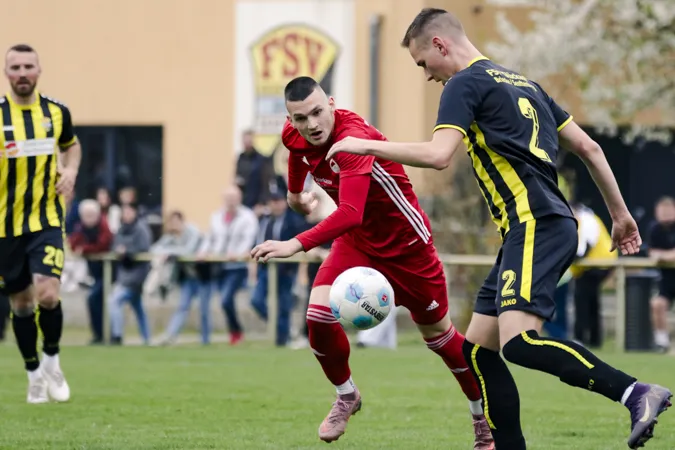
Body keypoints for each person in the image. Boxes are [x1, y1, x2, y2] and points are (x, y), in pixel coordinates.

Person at [326, 8, 672, 449]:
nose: (427, 75)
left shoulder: (463, 83)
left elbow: (438, 155)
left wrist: (364, 145)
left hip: (536, 223)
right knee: (477, 350)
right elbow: (590, 147)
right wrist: (620, 216)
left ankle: (635, 393)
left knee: (520, 344)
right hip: (534, 228)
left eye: (423, 63)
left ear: (440, 44)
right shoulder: (525, 84)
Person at [251, 76, 494, 448]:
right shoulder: (294, 133)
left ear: (332, 104)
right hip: (358, 244)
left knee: (440, 339)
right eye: (300, 118)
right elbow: (298, 153)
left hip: (408, 249)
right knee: (317, 317)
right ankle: (346, 394)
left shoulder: (352, 139)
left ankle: (483, 417)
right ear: (290, 119)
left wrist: (295, 244)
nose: (311, 124)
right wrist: (296, 194)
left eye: (317, 112)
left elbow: (351, 212)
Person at [0, 44, 81, 403]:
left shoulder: (56, 112)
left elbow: (71, 146)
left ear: (38, 70)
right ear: (6, 73)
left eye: (28, 66)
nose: (22, 73)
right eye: (15, 67)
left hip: (45, 220)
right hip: (5, 228)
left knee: (47, 294)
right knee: (21, 304)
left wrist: (71, 171)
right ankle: (33, 373)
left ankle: (52, 360)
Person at [647, 196, 675, 353]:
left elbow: (659, 255)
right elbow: (652, 253)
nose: (665, 214)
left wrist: (663, 256)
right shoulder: (654, 229)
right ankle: (662, 342)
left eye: (668, 211)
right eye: (662, 211)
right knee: (657, 304)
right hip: (667, 279)